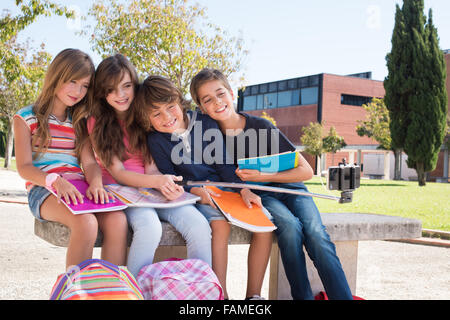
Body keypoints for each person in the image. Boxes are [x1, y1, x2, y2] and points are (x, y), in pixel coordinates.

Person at [190, 68, 353, 300]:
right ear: (202, 107)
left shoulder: (261, 127)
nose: (217, 102)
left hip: (292, 189)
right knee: (289, 226)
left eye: (220, 94)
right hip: (261, 196)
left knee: (316, 233)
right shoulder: (209, 137)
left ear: (231, 94)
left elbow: (306, 171)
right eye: (208, 99)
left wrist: (264, 176)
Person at [140, 75, 272, 300]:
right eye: (156, 114)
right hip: (197, 196)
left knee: (264, 224)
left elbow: (224, 164)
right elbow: (171, 177)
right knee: (219, 225)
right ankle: (220, 293)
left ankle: (254, 296)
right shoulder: (156, 140)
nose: (167, 117)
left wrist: (243, 189)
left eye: (171, 107)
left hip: (226, 189)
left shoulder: (206, 123)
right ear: (146, 118)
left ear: (180, 102)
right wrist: (195, 191)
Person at [86, 54, 212, 277]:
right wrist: (156, 181)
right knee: (150, 228)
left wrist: (166, 186)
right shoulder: (97, 122)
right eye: (112, 89)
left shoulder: (145, 114)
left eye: (126, 86)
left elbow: (152, 167)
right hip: (120, 191)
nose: (121, 95)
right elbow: (119, 172)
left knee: (199, 225)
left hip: (150, 189)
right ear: (102, 92)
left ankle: (199, 291)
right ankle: (135, 290)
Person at [13, 48, 128, 270]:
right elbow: (24, 168)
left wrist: (95, 183)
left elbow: (89, 163)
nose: (78, 91)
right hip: (44, 190)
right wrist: (56, 181)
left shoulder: (79, 122)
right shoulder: (26, 117)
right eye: (73, 82)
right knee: (86, 223)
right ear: (57, 76)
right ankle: (76, 291)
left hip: (79, 187)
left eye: (85, 86)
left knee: (117, 220)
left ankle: (110, 290)